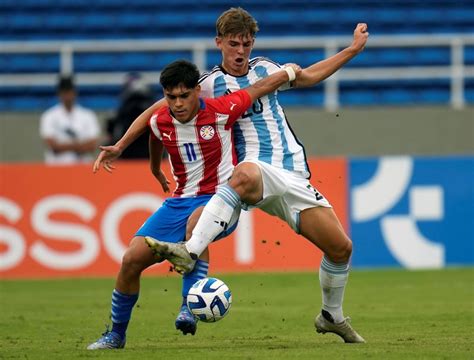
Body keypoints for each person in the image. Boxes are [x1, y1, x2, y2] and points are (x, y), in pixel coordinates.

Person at [94, 7, 368, 344]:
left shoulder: (266, 68)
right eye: (234, 44)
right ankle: (190, 252)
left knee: (341, 249)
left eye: (247, 44)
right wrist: (121, 144)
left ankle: (332, 316)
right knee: (244, 174)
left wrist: (352, 50)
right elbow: (157, 111)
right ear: (219, 42)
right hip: (252, 172)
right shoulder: (206, 86)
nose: (241, 52)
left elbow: (309, 76)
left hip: (293, 174)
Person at [87, 59, 301, 349]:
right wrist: (154, 168)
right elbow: (154, 133)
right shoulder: (161, 118)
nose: (177, 104)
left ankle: (189, 307)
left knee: (197, 222)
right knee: (130, 261)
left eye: (184, 96)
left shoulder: (221, 110)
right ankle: (116, 335)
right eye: (170, 97)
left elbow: (259, 87)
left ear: (198, 91)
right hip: (179, 200)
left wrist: (287, 72)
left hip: (221, 198)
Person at [40, 75, 100, 164]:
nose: (67, 95)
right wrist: (79, 146)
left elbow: (92, 145)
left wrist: (63, 146)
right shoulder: (49, 116)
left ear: (74, 92)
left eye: (69, 91)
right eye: (64, 92)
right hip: (56, 166)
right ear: (59, 93)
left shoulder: (88, 115)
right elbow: (52, 145)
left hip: (82, 166)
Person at [105, 72, 155, 159]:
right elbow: (111, 130)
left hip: (149, 150)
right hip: (127, 151)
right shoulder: (122, 110)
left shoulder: (152, 109)